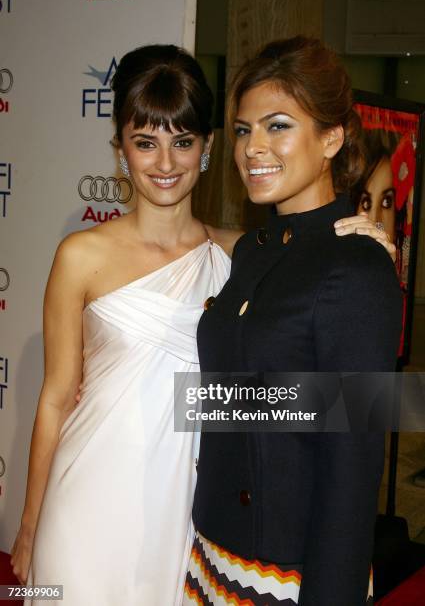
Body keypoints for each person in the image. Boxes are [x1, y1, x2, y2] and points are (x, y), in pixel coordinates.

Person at [10, 44, 394, 606]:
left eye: (182, 142)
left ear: (205, 149)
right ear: (121, 150)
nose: (165, 164)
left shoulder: (242, 254)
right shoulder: (81, 256)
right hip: (88, 490)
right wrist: (28, 521)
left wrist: (366, 239)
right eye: (145, 143)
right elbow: (54, 399)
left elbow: (314, 405)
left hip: (188, 507)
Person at [184, 36, 402, 606]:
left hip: (288, 571)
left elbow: (354, 463)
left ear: (331, 137)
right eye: (242, 129)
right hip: (213, 549)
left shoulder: (356, 264)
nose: (253, 147)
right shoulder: (255, 250)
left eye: (278, 125)